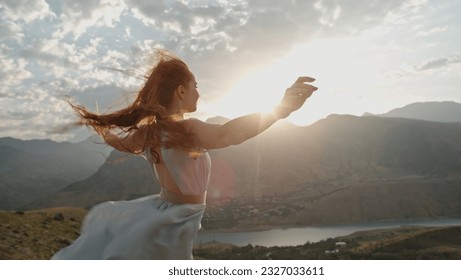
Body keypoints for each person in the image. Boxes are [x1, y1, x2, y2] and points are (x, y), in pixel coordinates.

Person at [51, 50, 318, 259]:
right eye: (195, 86)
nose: (199, 93)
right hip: (174, 222)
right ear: (181, 90)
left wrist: (103, 131)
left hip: (162, 211)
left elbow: (122, 145)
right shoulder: (188, 129)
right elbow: (229, 133)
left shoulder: (151, 132)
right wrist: (281, 109)